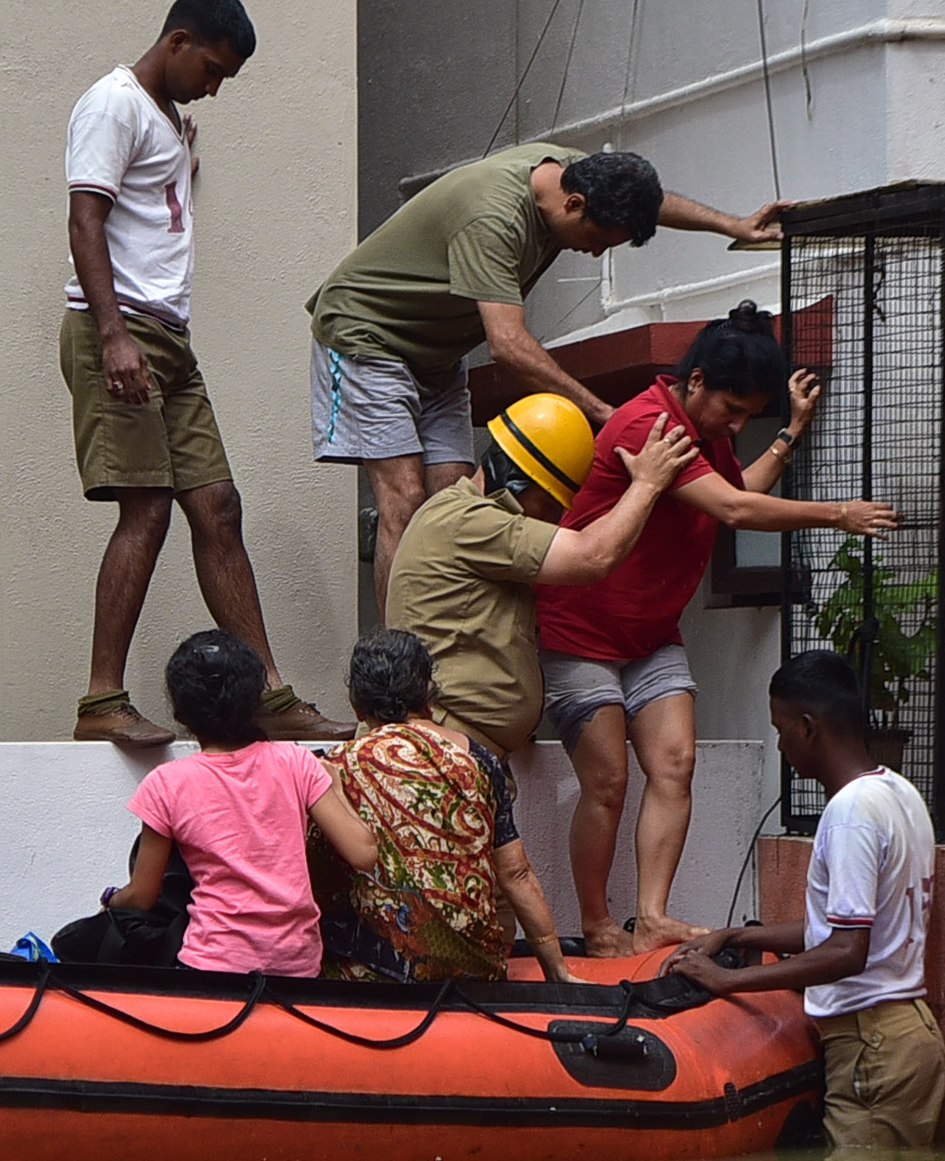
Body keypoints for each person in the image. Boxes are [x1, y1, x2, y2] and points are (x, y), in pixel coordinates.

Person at [537, 302, 899, 954]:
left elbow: (735, 492)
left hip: (651, 635)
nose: (735, 425)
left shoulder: (709, 433)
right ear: (695, 381)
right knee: (609, 780)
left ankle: (650, 917)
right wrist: (837, 512)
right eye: (731, 409)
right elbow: (733, 506)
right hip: (581, 627)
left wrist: (790, 432)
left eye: (746, 415)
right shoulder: (648, 423)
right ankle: (596, 926)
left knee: (676, 763)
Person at [306, 142, 784, 612]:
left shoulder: (575, 171)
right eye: (596, 239)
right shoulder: (493, 217)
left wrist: (731, 224)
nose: (594, 254)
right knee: (406, 499)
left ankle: (447, 643)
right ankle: (397, 669)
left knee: (457, 503)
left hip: (437, 356)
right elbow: (509, 345)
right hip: (366, 334)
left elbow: (652, 204)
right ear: (574, 204)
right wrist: (602, 412)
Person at [65, 0, 349, 748]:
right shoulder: (112, 104)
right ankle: (102, 703)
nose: (215, 87)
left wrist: (183, 163)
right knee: (147, 509)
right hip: (122, 332)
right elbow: (84, 221)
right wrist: (113, 336)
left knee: (218, 507)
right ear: (179, 39)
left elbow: (147, 217)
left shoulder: (160, 121)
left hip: (172, 340)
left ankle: (270, 695)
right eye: (213, 69)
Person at [669, 650, 945, 1149]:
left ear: (808, 727)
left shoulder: (850, 814)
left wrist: (730, 980)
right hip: (909, 1034)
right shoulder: (899, 794)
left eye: (781, 730)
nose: (781, 745)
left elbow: (846, 950)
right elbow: (842, 925)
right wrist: (734, 935)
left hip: (871, 1042)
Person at [384, 391, 697, 760]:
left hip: (458, 749)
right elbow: (593, 556)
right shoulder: (471, 521)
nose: (552, 519)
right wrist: (646, 484)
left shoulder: (459, 516)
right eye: (548, 503)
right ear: (513, 478)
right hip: (442, 750)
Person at [103, 630, 378, 977]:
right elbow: (364, 853)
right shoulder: (296, 762)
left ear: (180, 710)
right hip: (297, 966)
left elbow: (142, 897)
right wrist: (335, 787)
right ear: (256, 700)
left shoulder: (165, 784)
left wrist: (110, 900)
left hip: (213, 965)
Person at [315, 629, 576, 984]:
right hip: (474, 973)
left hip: (368, 979)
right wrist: (557, 970)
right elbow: (516, 875)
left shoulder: (333, 767)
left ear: (356, 704)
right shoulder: (476, 759)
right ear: (428, 693)